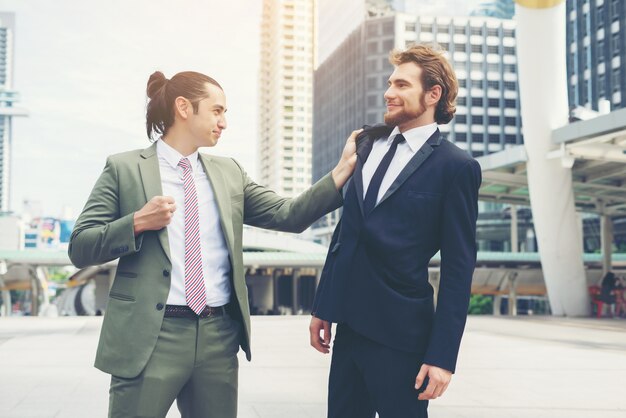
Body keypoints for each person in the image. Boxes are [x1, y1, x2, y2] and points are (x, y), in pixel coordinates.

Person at [68, 70, 359, 418]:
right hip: (150, 336)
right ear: (183, 108)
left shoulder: (229, 172)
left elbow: (289, 215)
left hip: (218, 337)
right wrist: (136, 222)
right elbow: (80, 246)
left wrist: (342, 170)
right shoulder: (124, 168)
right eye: (217, 111)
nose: (224, 122)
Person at [309, 43, 482, 418]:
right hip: (348, 330)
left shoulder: (456, 167)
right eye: (390, 83)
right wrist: (324, 305)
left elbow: (458, 269)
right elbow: (346, 234)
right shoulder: (366, 145)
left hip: (402, 339)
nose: (389, 92)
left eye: (402, 85)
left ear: (433, 94)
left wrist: (442, 357)